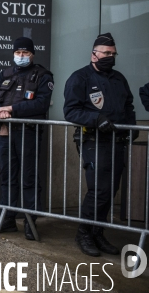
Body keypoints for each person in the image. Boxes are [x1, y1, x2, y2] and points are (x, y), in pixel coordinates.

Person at [63, 32, 136, 257]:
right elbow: (71, 111)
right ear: (94, 54)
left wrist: (131, 128)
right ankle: (84, 233)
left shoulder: (119, 79)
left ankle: (98, 232)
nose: (110, 57)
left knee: (110, 190)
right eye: (106, 53)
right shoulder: (80, 78)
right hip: (94, 141)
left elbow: (129, 106)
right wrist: (97, 119)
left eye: (113, 53)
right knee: (99, 191)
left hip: (117, 142)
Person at [0, 37, 54, 241]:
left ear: (32, 54)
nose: (21, 56)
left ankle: (30, 223)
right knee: (7, 176)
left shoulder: (43, 75)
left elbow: (41, 104)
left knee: (29, 177)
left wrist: (12, 109)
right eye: (18, 53)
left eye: (25, 53)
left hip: (28, 132)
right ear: (13, 54)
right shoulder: (5, 74)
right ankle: (7, 219)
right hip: (6, 131)